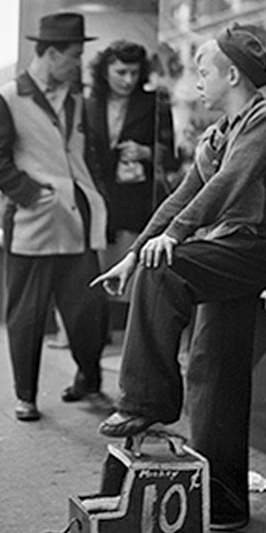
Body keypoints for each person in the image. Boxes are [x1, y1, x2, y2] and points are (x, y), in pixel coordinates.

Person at [92, 25, 266, 530]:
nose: (196, 81)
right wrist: (135, 253)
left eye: (203, 71)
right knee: (214, 372)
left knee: (165, 274)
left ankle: (147, 400)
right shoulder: (216, 133)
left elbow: (229, 185)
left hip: (255, 249)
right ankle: (225, 503)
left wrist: (172, 242)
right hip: (224, 250)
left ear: (231, 74)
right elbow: (181, 197)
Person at [0, 12, 109, 422]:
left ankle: (88, 378)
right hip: (32, 227)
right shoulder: (8, 97)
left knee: (89, 312)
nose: (79, 63)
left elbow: (85, 156)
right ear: (50, 54)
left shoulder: (77, 100)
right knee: (27, 316)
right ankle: (26, 395)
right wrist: (31, 194)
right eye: (74, 54)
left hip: (76, 225)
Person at [85, 40, 178, 325]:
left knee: (130, 267)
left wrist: (147, 153)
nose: (128, 80)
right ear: (105, 71)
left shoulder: (155, 103)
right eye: (121, 72)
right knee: (95, 268)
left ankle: (127, 331)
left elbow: (173, 157)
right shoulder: (89, 104)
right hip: (96, 195)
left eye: (134, 73)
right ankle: (98, 332)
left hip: (136, 198)